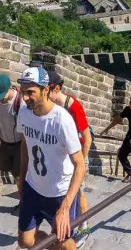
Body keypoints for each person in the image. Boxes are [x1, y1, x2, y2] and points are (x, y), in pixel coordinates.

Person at [15, 66, 85, 250]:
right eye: (23, 92)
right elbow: (25, 145)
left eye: (30, 92)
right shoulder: (24, 112)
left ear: (45, 90)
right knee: (25, 241)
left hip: (59, 193)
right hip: (33, 188)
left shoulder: (61, 120)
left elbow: (80, 165)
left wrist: (65, 207)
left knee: (66, 244)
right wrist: (22, 179)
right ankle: (49, 242)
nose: (25, 97)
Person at [47, 70, 92, 246]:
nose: (45, 93)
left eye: (47, 89)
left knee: (78, 190)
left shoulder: (74, 107)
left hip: (78, 156)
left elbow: (87, 138)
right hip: (64, 156)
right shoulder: (54, 107)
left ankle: (84, 225)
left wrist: (80, 162)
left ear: (57, 88)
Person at [0, 73, 24, 203]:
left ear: (9, 89)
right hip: (5, 143)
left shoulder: (21, 102)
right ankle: (24, 199)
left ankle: (24, 205)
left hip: (21, 143)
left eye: (2, 96)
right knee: (13, 172)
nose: (0, 99)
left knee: (20, 176)